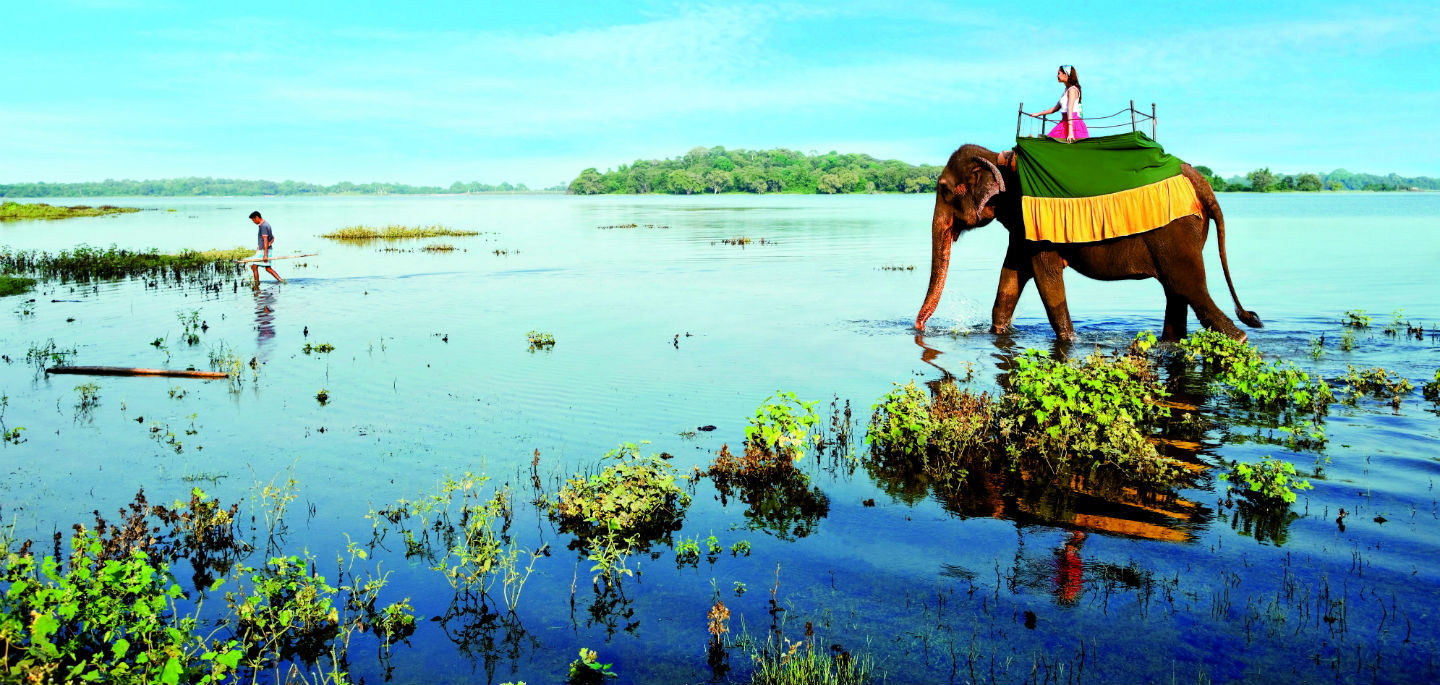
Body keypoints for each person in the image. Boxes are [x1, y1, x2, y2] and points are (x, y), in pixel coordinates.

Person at [1029, 65, 1087, 143]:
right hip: (1064, 122)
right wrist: (1038, 114)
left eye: (1059, 73)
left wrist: (1070, 132)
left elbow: (1070, 109)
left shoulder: (1072, 90)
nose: (1057, 76)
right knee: (1051, 142)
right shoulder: (1066, 90)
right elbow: (1055, 108)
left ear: (1066, 74)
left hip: (1073, 124)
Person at [248, 211, 284, 285]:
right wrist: (268, 244)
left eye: (253, 220)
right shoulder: (266, 224)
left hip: (264, 251)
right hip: (265, 249)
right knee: (268, 268)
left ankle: (256, 285)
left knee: (254, 267)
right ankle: (281, 281)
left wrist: (265, 254)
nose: (253, 222)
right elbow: (272, 238)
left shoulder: (263, 226)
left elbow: (265, 240)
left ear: (257, 217)